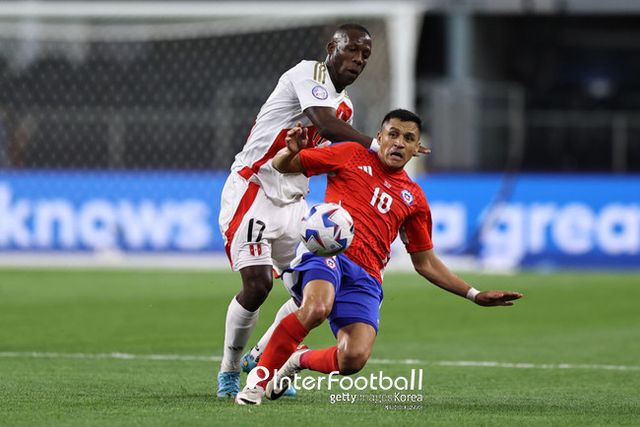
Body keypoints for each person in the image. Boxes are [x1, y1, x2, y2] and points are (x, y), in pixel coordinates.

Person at [235, 109, 523, 405]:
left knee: (353, 357)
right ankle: (256, 384)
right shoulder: (350, 154)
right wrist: (289, 151)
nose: (399, 143)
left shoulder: (414, 199)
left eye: (408, 138)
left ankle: (297, 360)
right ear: (379, 137)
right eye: (393, 134)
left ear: (417, 148)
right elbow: (284, 166)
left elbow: (425, 262)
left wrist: (474, 294)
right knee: (317, 308)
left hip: (366, 277)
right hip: (327, 253)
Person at [216, 23, 378, 398]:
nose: (358, 59)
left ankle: (262, 358)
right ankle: (228, 372)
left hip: (295, 202)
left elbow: (332, 154)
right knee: (258, 285)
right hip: (255, 189)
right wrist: (377, 145)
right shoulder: (309, 73)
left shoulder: (346, 107)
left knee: (311, 294)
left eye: (366, 55)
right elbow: (325, 124)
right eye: (352, 49)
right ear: (331, 47)